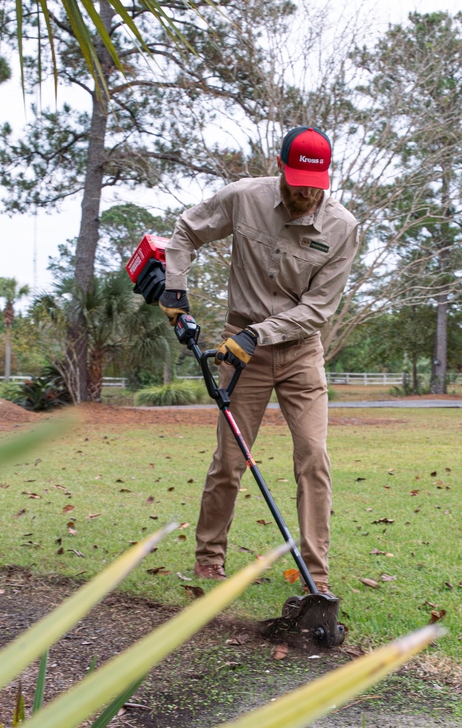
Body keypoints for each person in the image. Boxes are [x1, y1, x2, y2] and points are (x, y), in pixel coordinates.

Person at [147, 126, 359, 595]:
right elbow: (185, 231)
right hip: (239, 353)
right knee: (229, 459)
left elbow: (318, 311)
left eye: (314, 186)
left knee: (313, 458)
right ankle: (208, 560)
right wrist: (175, 292)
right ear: (281, 169)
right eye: (296, 183)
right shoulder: (244, 198)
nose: (304, 194)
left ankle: (316, 578)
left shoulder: (342, 227)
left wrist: (259, 333)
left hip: (300, 351)